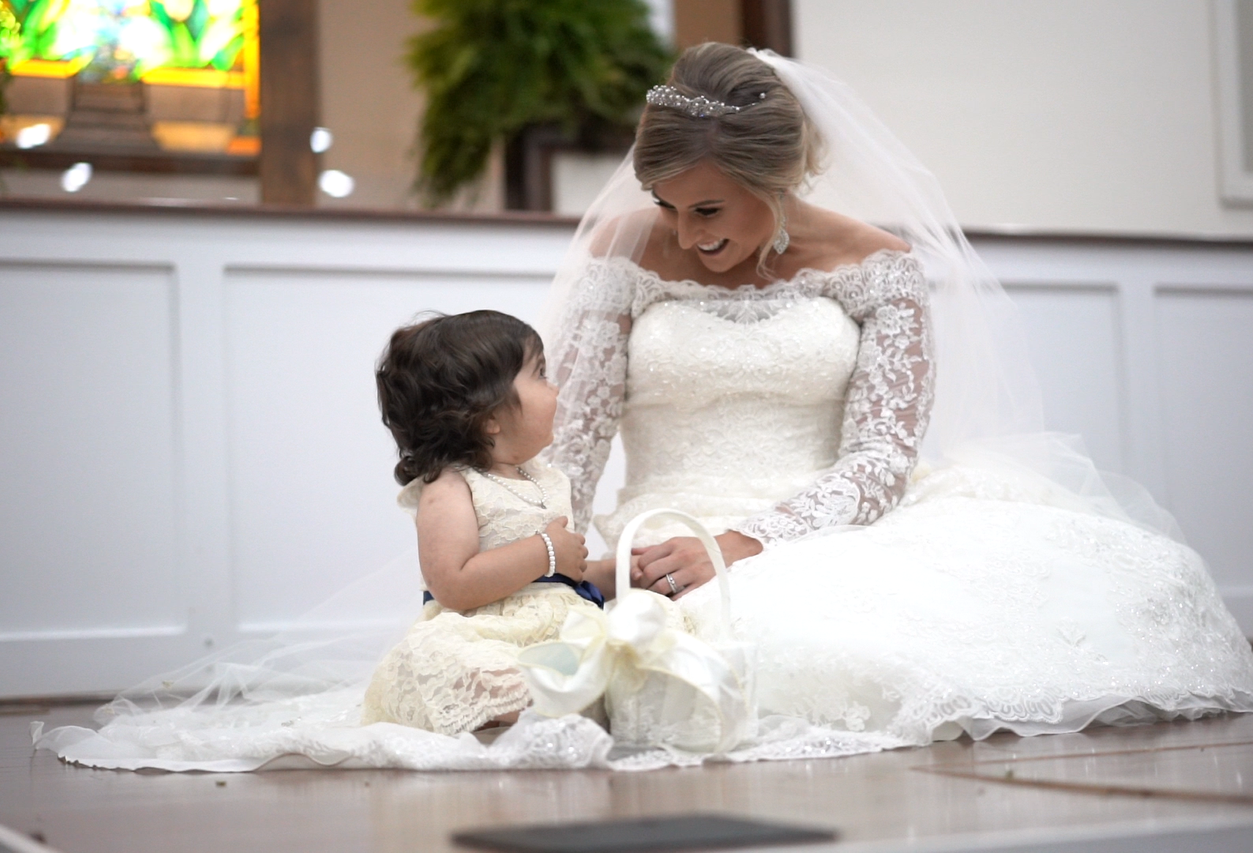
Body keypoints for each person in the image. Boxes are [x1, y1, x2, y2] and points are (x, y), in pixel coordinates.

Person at [542, 42, 1253, 749]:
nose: (685, 233)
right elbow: (573, 439)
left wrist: (735, 544)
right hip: (663, 527)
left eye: (707, 209)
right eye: (665, 206)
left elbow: (881, 457)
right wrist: (554, 567)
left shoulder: (878, 265)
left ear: (779, 177)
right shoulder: (625, 251)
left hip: (826, 527)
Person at [360, 310, 602, 735]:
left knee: (626, 644)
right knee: (452, 664)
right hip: (487, 634)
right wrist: (545, 550)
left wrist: (622, 573)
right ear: (489, 415)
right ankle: (539, 701)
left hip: (558, 630)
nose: (556, 387)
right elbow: (452, 585)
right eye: (540, 374)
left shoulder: (545, 477)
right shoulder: (451, 487)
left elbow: (564, 576)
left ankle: (577, 694)